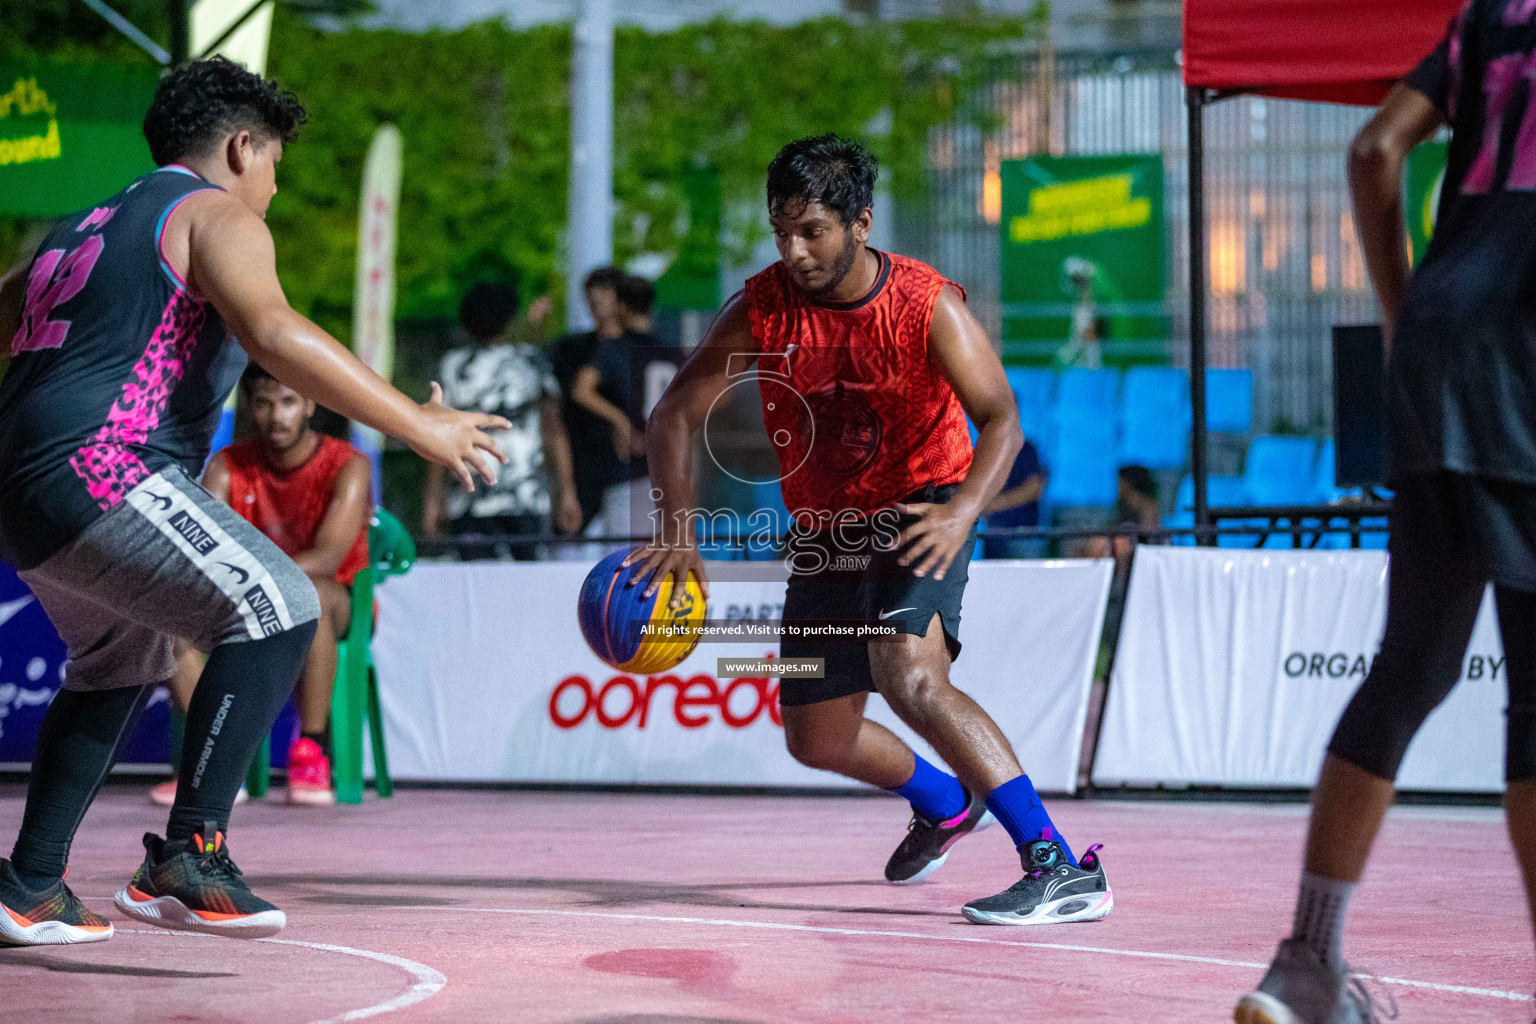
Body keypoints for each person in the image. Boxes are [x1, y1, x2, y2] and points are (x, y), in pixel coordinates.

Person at [0, 57, 508, 945]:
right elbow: (275, 334)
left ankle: (31, 881)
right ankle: (187, 855)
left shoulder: (70, 229)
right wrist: (420, 428)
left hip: (22, 484)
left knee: (121, 657)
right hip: (102, 464)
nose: (272, 187)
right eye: (274, 165)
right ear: (242, 148)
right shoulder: (213, 212)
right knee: (278, 604)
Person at [631, 134, 1111, 924]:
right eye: (781, 229)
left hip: (922, 507)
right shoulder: (762, 306)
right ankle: (947, 803)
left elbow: (1001, 420)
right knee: (816, 740)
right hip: (826, 531)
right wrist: (677, 529)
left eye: (811, 231)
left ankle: (1057, 863)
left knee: (912, 678)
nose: (794, 249)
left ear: (861, 222)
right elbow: (674, 415)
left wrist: (961, 512)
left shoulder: (926, 305)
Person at [1237, 7, 1536, 1022]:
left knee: (1413, 663)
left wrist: (1408, 312)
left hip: (1440, 348)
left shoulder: (1496, 14)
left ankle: (1306, 962)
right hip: (1528, 364)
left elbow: (1374, 150)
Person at [149, 364, 373, 808]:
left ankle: (312, 749)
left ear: (309, 404)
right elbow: (202, 550)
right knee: (162, 622)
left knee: (310, 597)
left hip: (334, 602)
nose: (276, 415)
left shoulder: (349, 464)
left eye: (288, 401)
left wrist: (250, 581)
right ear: (250, 406)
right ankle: (218, 762)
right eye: (264, 402)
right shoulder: (227, 465)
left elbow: (328, 558)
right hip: (242, 600)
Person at [423, 282, 581, 560]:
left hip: (469, 491)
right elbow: (554, 431)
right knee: (527, 583)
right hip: (524, 492)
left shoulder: (454, 365)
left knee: (473, 585)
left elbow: (438, 436)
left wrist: (433, 501)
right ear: (509, 321)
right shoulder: (530, 360)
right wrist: (567, 490)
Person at [572, 275, 665, 542]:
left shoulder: (613, 349)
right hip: (666, 471)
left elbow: (581, 389)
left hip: (625, 470)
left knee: (623, 559)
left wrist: (619, 419)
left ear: (621, 308)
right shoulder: (669, 349)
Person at [548, 267, 627, 531]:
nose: (597, 301)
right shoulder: (571, 349)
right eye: (592, 296)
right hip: (581, 469)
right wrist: (565, 488)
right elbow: (558, 417)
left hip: (626, 474)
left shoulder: (638, 349)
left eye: (606, 293)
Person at [980, 436, 1046, 558]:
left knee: (1024, 576)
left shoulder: (1024, 449)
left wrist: (996, 504)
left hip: (1021, 536)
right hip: (991, 538)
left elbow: (1034, 488)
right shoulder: (985, 449)